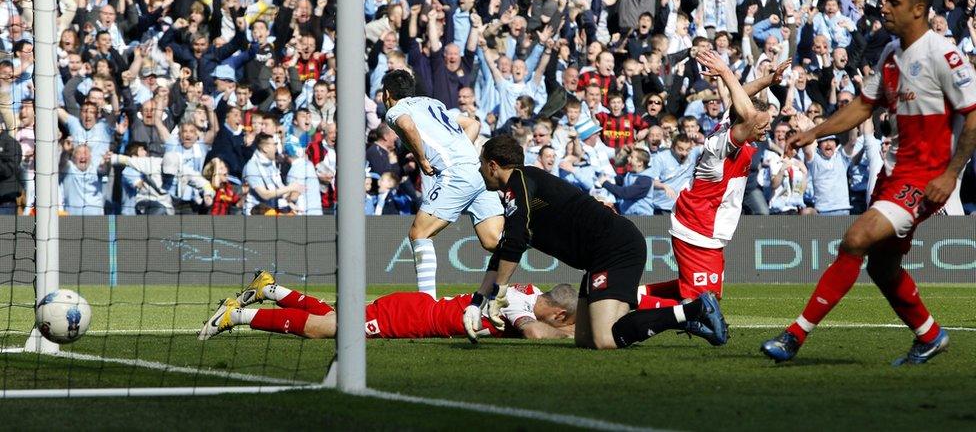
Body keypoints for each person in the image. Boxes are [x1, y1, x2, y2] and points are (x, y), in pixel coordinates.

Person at [762, 0, 976, 365]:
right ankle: (930, 335)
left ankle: (793, 337)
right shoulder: (891, 55)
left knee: (856, 237)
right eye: (883, 1)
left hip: (925, 176)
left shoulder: (944, 55)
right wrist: (813, 130)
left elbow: (974, 116)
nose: (885, 8)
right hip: (893, 174)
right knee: (881, 266)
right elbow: (863, 105)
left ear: (917, 9)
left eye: (894, 2)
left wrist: (950, 175)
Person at [467, 134, 727, 350]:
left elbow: (515, 240)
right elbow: (505, 247)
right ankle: (690, 317)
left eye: (481, 164)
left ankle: (694, 310)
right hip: (599, 255)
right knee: (585, 340)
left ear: (492, 165)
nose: (479, 171)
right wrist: (477, 302)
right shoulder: (522, 187)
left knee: (605, 339)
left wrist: (499, 292)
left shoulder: (520, 182)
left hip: (615, 248)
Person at [637, 51, 785, 323]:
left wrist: (768, 80)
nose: (766, 129)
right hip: (698, 226)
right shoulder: (722, 147)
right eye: (764, 124)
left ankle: (634, 296)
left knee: (705, 297)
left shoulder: (728, 127)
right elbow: (748, 115)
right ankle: (621, 304)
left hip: (706, 226)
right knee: (702, 307)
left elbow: (739, 104)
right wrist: (726, 72)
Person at [381, 69, 504, 299]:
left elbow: (407, 126)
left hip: (456, 174)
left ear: (387, 94)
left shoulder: (395, 111)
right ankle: (510, 294)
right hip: (478, 170)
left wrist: (422, 158)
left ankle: (426, 305)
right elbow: (474, 124)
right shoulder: (432, 103)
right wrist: (460, 153)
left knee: (419, 234)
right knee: (494, 241)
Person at [199, 271, 576, 341]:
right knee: (327, 329)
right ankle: (237, 314)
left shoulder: (532, 289)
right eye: (564, 321)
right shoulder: (517, 305)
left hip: (417, 309)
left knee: (334, 316)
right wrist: (571, 334)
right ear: (558, 314)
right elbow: (532, 332)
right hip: (411, 319)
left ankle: (270, 288)